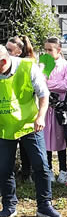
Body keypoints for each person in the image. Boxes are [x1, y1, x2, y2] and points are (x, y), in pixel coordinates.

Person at [0, 45, 61, 217]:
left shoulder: (28, 67)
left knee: (41, 165)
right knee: (4, 168)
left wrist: (40, 117)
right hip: (4, 127)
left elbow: (43, 95)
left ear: (4, 62)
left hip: (30, 124)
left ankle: (44, 205)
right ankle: (9, 205)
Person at [43, 37, 67, 184]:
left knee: (61, 139)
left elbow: (65, 85)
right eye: (46, 49)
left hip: (60, 108)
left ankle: (63, 169)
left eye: (51, 49)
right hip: (45, 107)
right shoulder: (43, 64)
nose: (48, 52)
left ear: (59, 50)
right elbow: (39, 82)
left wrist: (48, 84)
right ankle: (48, 169)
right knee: (46, 138)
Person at [6, 35, 36, 183]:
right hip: (8, 112)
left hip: (24, 112)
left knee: (25, 145)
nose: (6, 52)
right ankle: (11, 173)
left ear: (18, 51)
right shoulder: (5, 64)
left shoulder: (27, 65)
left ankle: (26, 173)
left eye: (9, 50)